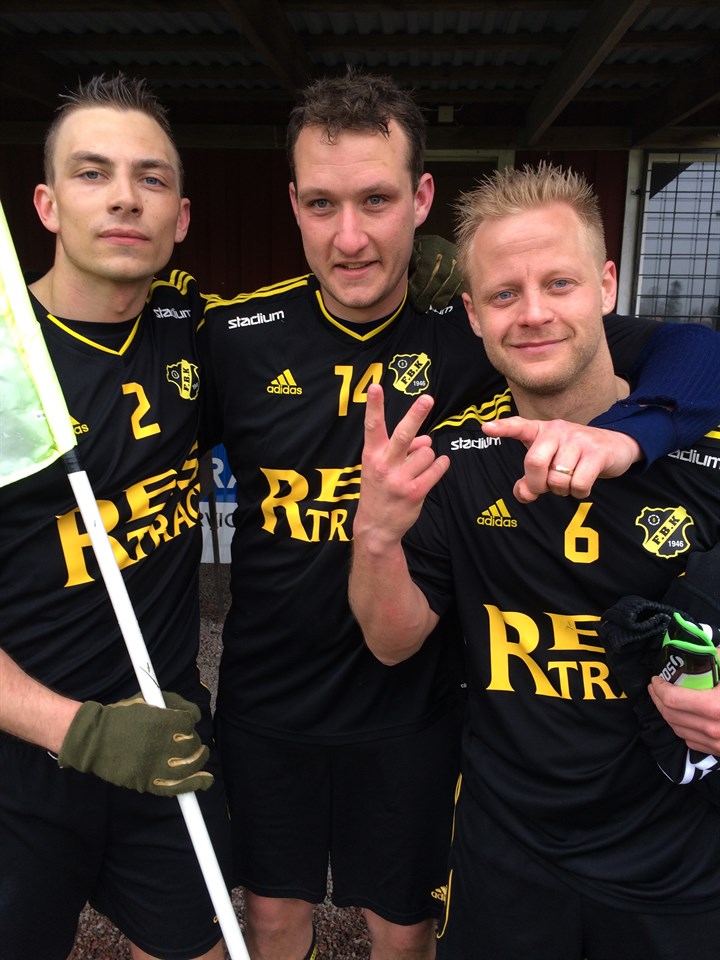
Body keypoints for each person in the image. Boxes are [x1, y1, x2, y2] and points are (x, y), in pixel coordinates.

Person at [201, 71, 720, 960]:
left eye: (377, 200)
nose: (351, 236)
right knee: (274, 917)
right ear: (293, 205)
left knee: (404, 925)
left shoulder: (477, 329)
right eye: (323, 203)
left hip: (416, 705)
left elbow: (693, 350)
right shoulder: (231, 335)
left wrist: (629, 435)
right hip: (267, 696)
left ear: (420, 201)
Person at [348, 162, 720, 960]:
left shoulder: (701, 446)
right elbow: (392, 640)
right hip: (507, 862)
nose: (535, 313)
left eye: (559, 283)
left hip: (682, 870)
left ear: (606, 286)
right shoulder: (454, 459)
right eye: (505, 294)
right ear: (474, 315)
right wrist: (375, 537)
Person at [0, 75, 231, 960]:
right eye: (93, 173)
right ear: (48, 204)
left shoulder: (189, 327)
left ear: (181, 216)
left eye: (151, 177)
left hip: (164, 740)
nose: (125, 197)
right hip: (23, 765)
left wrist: (419, 291)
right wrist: (80, 731)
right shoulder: (9, 366)